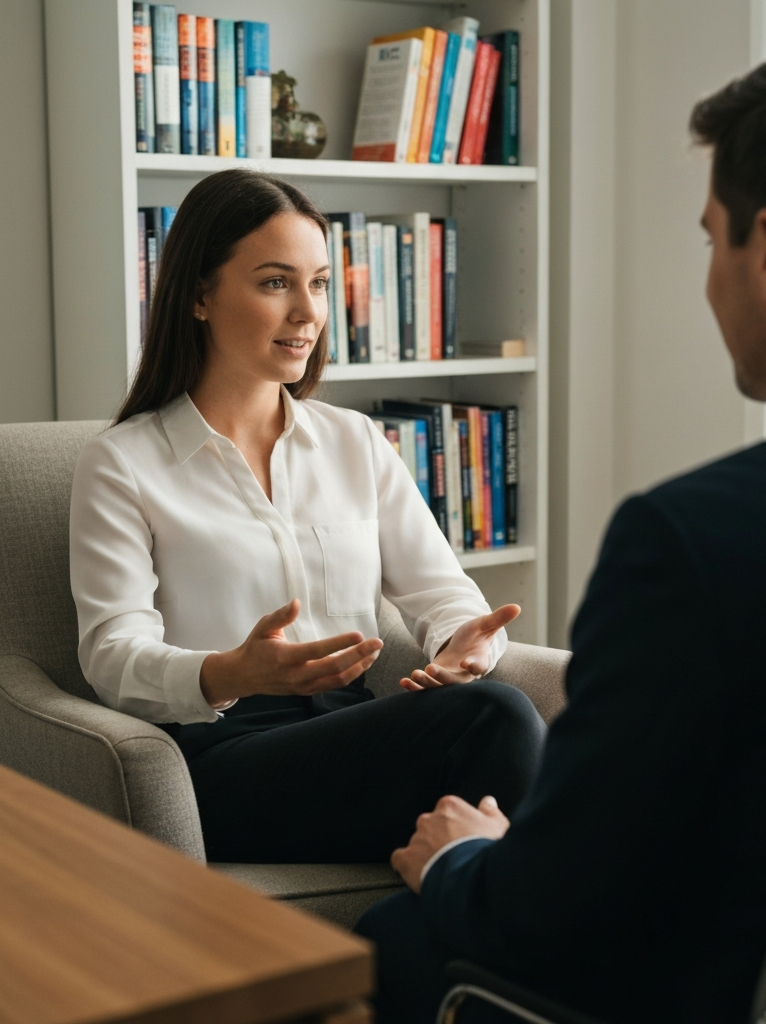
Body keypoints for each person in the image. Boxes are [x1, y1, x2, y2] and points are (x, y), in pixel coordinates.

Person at [355, 41, 766, 1023]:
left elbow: (540, 917)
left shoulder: (696, 537)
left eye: (710, 240)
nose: (710, 277)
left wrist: (461, 857)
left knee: (380, 944)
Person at [69, 169, 545, 865]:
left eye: (319, 283)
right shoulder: (123, 463)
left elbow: (444, 597)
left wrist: (464, 646)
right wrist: (234, 672)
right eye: (274, 283)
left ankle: (429, 932)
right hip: (223, 761)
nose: (308, 312)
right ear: (200, 295)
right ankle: (507, 932)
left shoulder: (353, 441)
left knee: (552, 751)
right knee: (497, 719)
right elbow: (110, 658)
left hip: (349, 733)